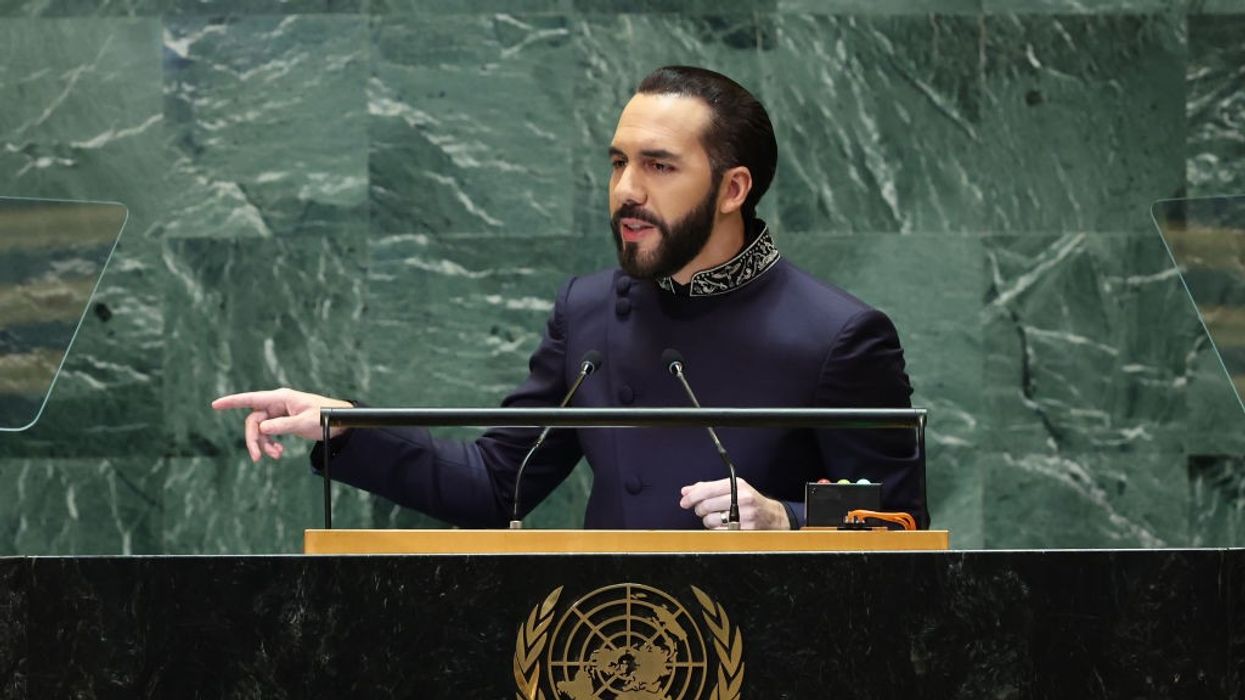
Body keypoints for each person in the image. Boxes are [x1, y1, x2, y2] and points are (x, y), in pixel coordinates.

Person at [213, 66, 927, 531]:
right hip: (598, 646)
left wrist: (787, 520)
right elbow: (497, 485)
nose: (625, 191)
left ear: (733, 188)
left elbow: (899, 525)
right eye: (618, 162)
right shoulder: (588, 311)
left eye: (658, 166)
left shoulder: (840, 334)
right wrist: (346, 428)